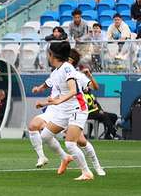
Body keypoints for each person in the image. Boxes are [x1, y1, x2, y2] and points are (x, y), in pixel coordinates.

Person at [28, 48, 105, 177]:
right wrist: (41, 92)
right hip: (61, 111)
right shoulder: (57, 73)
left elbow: (94, 87)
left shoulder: (76, 75)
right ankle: (65, 158)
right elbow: (50, 86)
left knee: (80, 142)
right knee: (45, 135)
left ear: (69, 60)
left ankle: (95, 167)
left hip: (75, 109)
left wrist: (89, 76)